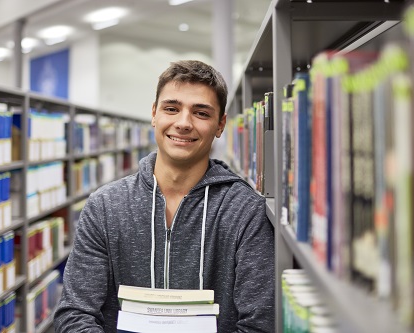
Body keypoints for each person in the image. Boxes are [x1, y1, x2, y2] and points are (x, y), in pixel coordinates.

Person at [54, 60, 275, 332]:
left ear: (220, 125)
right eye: (172, 109)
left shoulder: (246, 212)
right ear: (154, 114)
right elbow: (75, 313)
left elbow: (259, 324)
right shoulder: (104, 206)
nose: (183, 123)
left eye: (201, 113)